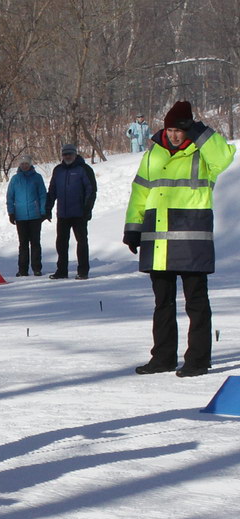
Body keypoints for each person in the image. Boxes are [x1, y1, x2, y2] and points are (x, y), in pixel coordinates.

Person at [126, 100, 235, 377]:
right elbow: (140, 191)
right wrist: (133, 227)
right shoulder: (153, 154)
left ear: (188, 129)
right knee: (162, 303)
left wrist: (199, 130)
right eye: (171, 129)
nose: (175, 135)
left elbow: (224, 157)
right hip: (157, 239)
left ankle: (197, 360)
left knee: (196, 302)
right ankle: (162, 357)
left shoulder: (203, 153)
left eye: (180, 129)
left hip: (191, 239)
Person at [45, 143, 97, 279]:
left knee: (82, 242)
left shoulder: (84, 169)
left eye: (70, 154)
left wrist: (87, 209)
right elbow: (52, 191)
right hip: (63, 214)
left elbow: (91, 191)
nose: (67, 156)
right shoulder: (58, 170)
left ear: (75, 154)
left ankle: (83, 271)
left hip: (79, 213)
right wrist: (48, 208)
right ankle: (61, 271)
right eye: (65, 154)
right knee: (61, 243)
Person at [6, 155, 47, 277]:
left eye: (26, 164)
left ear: (30, 165)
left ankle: (37, 268)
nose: (24, 166)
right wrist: (11, 212)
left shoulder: (37, 178)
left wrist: (43, 211)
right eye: (22, 164)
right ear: (20, 165)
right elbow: (10, 197)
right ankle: (22, 269)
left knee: (35, 243)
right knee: (23, 244)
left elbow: (42, 195)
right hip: (20, 216)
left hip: (35, 216)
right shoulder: (15, 179)